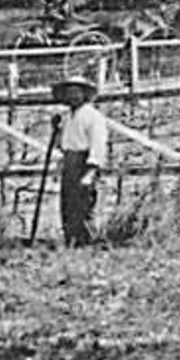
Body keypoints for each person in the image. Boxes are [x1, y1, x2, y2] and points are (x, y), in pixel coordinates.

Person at [50, 76, 108, 247]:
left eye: (77, 92)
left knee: (85, 204)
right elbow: (62, 145)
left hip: (85, 162)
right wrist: (55, 129)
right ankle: (72, 241)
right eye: (70, 92)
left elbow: (97, 144)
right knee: (68, 204)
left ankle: (88, 242)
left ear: (84, 94)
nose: (73, 96)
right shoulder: (66, 117)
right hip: (70, 162)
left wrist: (91, 171)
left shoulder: (93, 117)